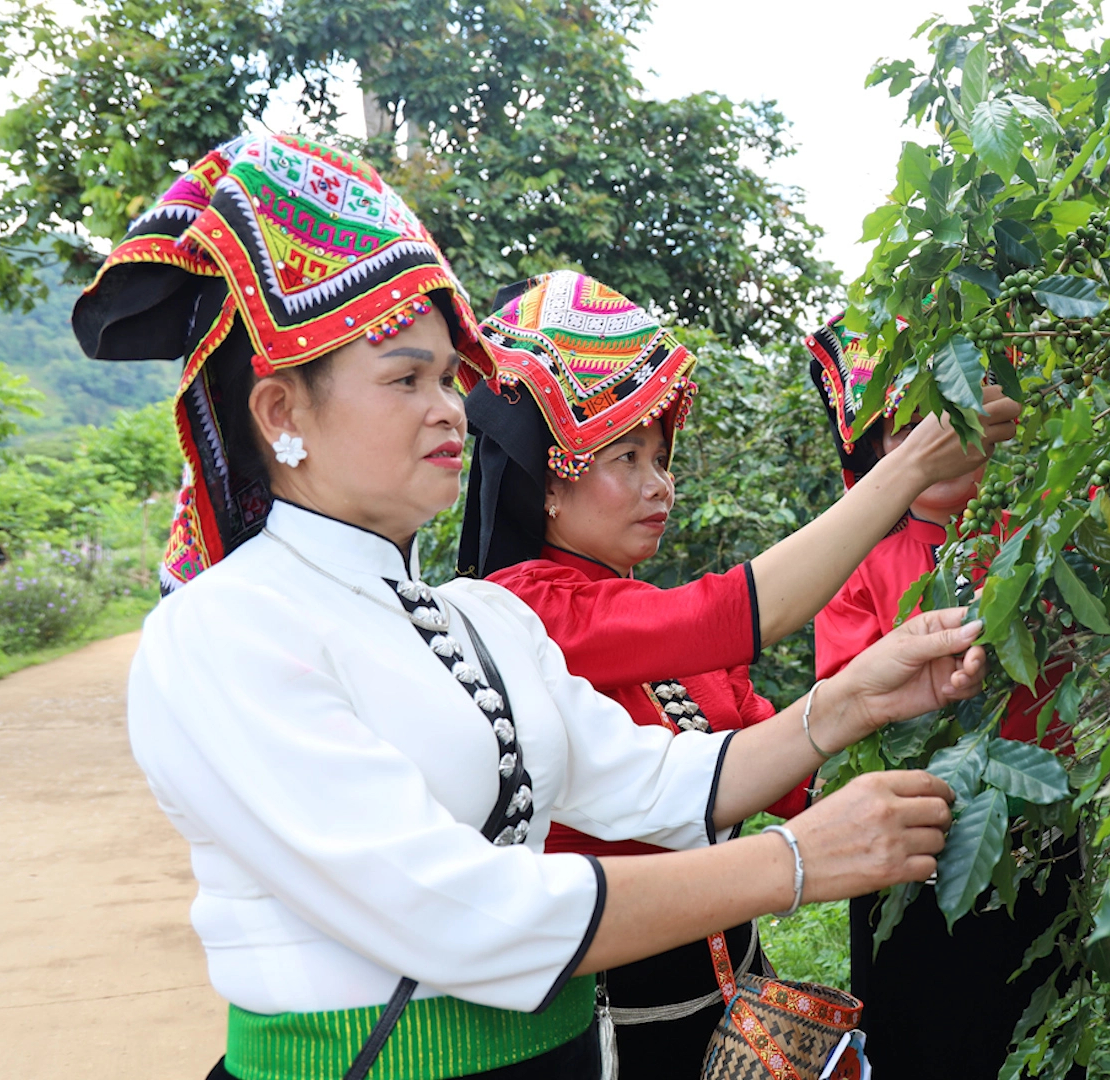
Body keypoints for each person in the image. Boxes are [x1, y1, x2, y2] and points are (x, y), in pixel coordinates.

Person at [74, 133, 983, 1080]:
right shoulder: (225, 631)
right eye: (405, 379)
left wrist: (857, 698)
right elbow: (451, 911)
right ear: (281, 414)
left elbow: (663, 783)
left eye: (445, 379)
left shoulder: (477, 622)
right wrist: (793, 863)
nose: (450, 411)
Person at [454, 269, 1021, 1077]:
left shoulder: (650, 630)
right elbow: (735, 614)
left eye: (662, 456)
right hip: (617, 1026)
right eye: (628, 456)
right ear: (549, 479)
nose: (661, 484)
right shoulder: (526, 609)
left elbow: (786, 766)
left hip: (728, 1015)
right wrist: (907, 468)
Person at [805, 305, 1110, 1079]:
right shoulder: (856, 565)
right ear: (878, 454)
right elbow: (846, 711)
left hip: (1034, 836)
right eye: (909, 431)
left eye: (953, 417)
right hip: (909, 849)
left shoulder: (1034, 526)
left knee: (1033, 1029)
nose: (939, 444)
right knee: (921, 1040)